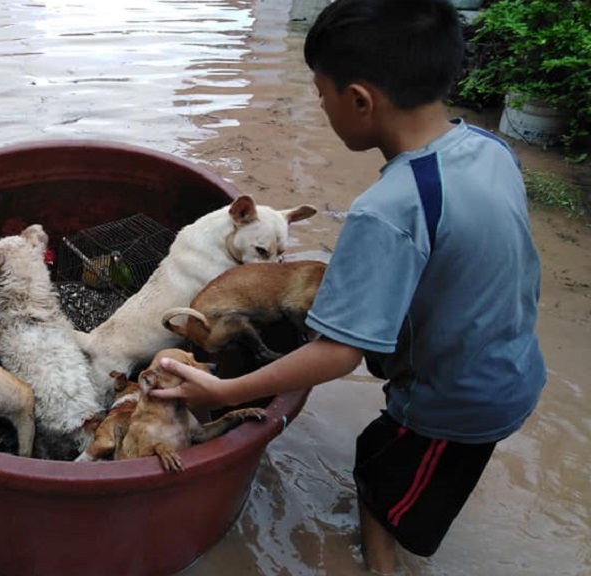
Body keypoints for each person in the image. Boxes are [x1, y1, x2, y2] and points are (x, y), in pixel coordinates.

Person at [150, 0, 547, 573]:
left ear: (359, 100)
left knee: (388, 484)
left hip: (456, 400)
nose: (321, 105)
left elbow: (338, 353)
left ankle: (378, 565)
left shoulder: (386, 210)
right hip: (512, 364)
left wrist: (222, 394)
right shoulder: (491, 150)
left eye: (319, 92)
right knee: (384, 463)